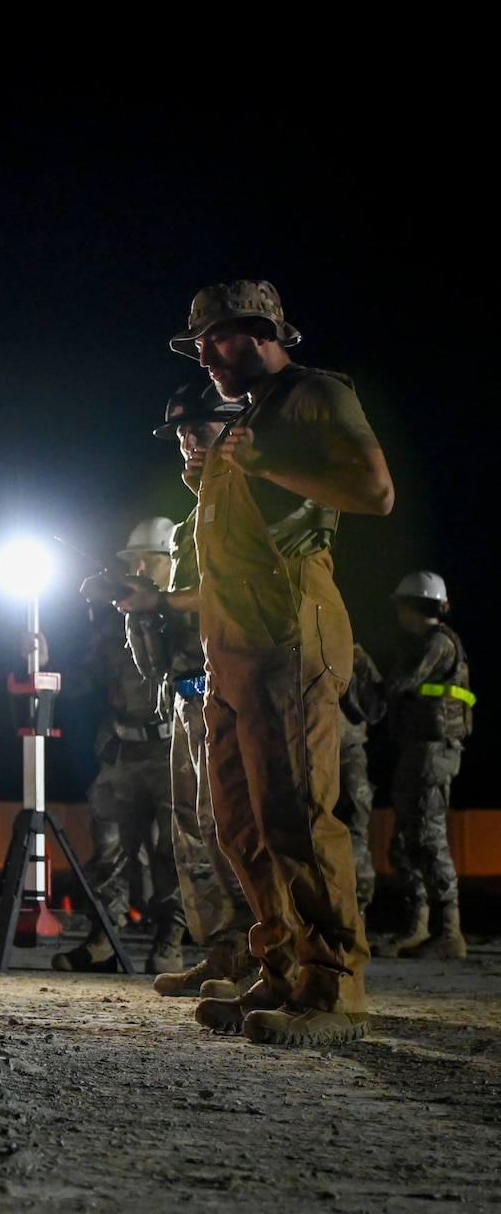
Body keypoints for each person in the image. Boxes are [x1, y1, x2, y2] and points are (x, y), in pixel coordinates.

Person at [168, 280, 392, 1046]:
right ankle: (283, 968)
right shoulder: (246, 416)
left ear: (263, 330)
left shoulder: (315, 393)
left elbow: (373, 491)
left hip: (291, 620)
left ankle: (335, 987)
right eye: (197, 343)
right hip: (233, 636)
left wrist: (263, 466)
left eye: (218, 338)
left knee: (296, 813)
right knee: (241, 820)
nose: (205, 356)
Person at [116, 387, 258, 998]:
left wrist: (159, 603)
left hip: (236, 696)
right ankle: (224, 951)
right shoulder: (199, 520)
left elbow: (241, 596)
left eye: (196, 431)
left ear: (231, 430)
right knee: (195, 834)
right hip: (191, 701)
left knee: (234, 829)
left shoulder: (247, 503)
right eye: (180, 435)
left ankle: (264, 954)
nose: (185, 444)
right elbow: (155, 663)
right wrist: (138, 612)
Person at [59, 520, 179, 973]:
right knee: (106, 848)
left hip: (173, 751)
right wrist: (46, 668)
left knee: (173, 851)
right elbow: (88, 678)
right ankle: (104, 936)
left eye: (150, 559)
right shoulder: (115, 623)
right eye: (132, 561)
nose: (139, 568)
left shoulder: (188, 617)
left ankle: (169, 940)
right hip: (124, 751)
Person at [378, 572, 474, 959]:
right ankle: (419, 928)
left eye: (401, 605)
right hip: (419, 750)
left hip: (433, 753)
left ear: (412, 606)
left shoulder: (435, 644)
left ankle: (448, 933)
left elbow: (399, 683)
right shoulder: (425, 643)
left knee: (428, 839)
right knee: (406, 843)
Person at [338, 644, 384, 914]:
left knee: (353, 831)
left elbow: (374, 707)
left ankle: (357, 915)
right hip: (305, 752)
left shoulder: (349, 651)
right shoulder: (290, 642)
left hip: (344, 752)